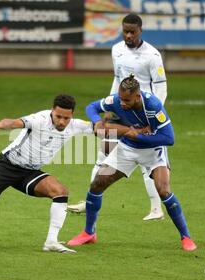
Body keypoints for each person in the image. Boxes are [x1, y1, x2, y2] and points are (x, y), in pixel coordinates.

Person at [0, 94, 93, 253]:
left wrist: (117, 121)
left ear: (72, 115)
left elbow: (99, 127)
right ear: (52, 111)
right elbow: (15, 122)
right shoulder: (39, 119)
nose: (62, 121)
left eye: (66, 118)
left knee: (60, 192)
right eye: (58, 116)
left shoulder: (75, 125)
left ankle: (51, 241)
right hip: (7, 166)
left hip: (29, 173)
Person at [67, 75, 197, 252]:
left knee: (164, 191)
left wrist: (136, 135)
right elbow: (92, 107)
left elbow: (169, 138)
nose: (122, 104)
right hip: (126, 150)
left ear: (138, 96)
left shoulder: (153, 106)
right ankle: (89, 233)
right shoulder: (116, 100)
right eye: (121, 99)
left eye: (126, 100)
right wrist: (98, 122)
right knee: (97, 184)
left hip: (153, 152)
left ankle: (186, 237)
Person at [68, 13, 167, 221]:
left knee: (148, 162)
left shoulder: (153, 56)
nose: (128, 35)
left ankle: (156, 209)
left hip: (143, 115)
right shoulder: (116, 50)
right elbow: (117, 79)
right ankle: (90, 200)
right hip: (121, 109)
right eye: (125, 31)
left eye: (133, 32)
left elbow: (161, 89)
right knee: (103, 155)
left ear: (141, 31)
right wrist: (110, 108)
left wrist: (152, 119)